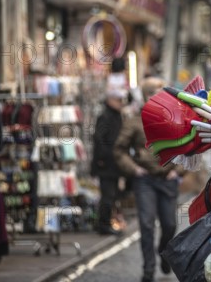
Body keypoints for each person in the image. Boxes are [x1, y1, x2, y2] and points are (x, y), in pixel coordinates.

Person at [113, 77, 182, 282]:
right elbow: (119, 150)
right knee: (147, 225)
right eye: (153, 92)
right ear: (145, 95)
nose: (158, 95)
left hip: (168, 178)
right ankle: (148, 269)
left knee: (169, 225)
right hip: (145, 180)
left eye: (162, 91)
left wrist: (178, 171)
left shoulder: (174, 118)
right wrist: (133, 169)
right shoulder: (135, 121)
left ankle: (164, 252)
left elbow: (187, 148)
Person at [91, 87, 127, 236]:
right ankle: (103, 224)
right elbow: (99, 139)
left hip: (113, 163)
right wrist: (103, 158)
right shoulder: (106, 116)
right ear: (110, 100)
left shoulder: (116, 116)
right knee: (107, 195)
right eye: (118, 100)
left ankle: (106, 222)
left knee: (111, 195)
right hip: (106, 163)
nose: (121, 103)